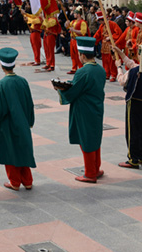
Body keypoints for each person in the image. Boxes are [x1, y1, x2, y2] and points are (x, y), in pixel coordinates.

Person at [55, 37, 105, 183]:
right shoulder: (100, 69)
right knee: (95, 138)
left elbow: (74, 91)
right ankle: (96, 168)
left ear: (82, 55)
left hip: (84, 110)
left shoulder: (83, 72)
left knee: (86, 140)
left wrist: (61, 89)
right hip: (96, 108)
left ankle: (90, 173)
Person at [0, 48, 36, 191]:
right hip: (23, 121)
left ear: (2, 66)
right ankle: (28, 180)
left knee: (9, 150)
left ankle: (14, 181)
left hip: (8, 123)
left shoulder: (1, 84)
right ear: (14, 65)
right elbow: (29, 102)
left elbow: (1, 108)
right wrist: (29, 120)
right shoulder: (23, 81)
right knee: (23, 148)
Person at [112, 46, 142, 169]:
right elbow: (132, 64)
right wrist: (120, 53)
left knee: (133, 131)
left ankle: (133, 159)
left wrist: (118, 67)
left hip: (135, 103)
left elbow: (122, 80)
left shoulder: (135, 71)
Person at [93, 11, 122, 82]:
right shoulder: (101, 26)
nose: (99, 23)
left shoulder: (112, 24)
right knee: (105, 60)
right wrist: (93, 41)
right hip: (104, 45)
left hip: (110, 45)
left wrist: (111, 37)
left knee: (111, 61)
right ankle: (106, 74)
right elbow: (98, 35)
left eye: (100, 21)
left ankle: (113, 75)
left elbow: (119, 32)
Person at [67, 8, 88, 74]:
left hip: (78, 40)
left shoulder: (83, 22)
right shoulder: (73, 21)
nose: (74, 14)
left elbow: (83, 32)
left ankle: (80, 68)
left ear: (78, 14)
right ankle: (74, 68)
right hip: (72, 39)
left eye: (75, 13)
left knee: (79, 55)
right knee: (73, 55)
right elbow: (67, 27)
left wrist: (74, 30)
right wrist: (66, 23)